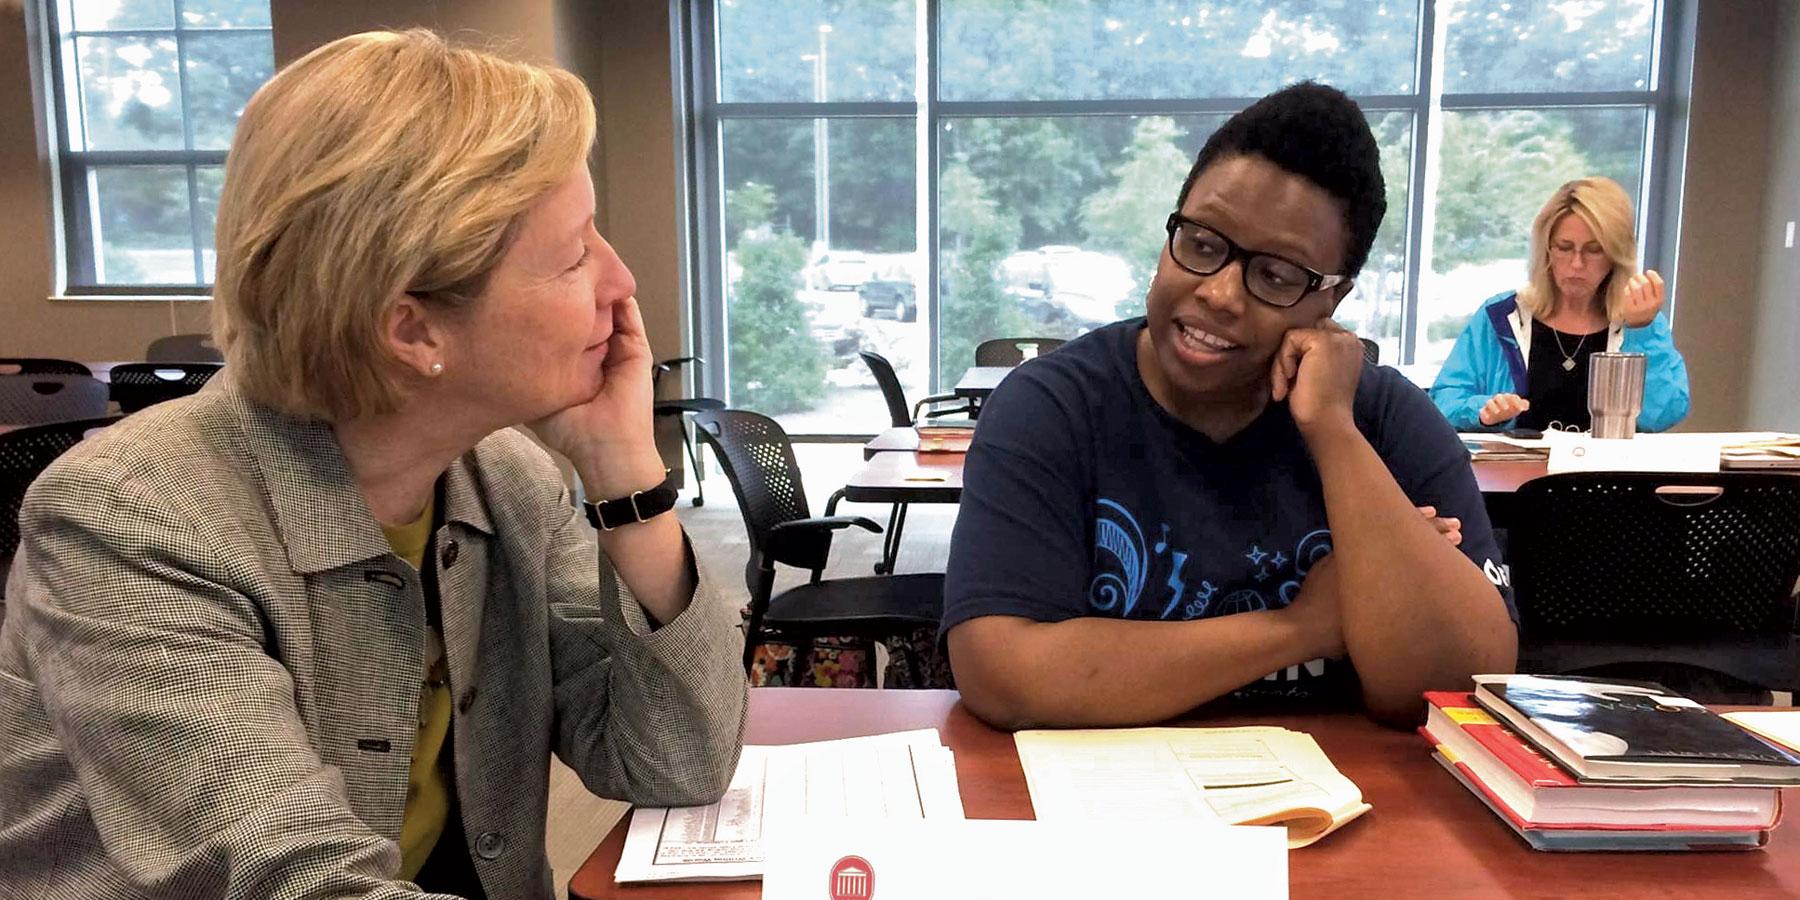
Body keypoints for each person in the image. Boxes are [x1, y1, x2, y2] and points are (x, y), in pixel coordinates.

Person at [0, 31, 746, 898]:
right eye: (577, 252)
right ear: (413, 330)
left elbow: (678, 764)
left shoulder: (505, 479)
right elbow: (296, 882)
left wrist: (626, 476)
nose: (621, 285)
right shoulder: (128, 521)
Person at [941, 82, 1517, 731]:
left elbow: (1464, 688)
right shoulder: (1053, 407)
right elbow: (1002, 674)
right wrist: (1306, 626)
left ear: (1331, 299)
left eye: (1275, 276)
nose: (1218, 293)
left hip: (1352, 806)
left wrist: (1333, 431)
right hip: (1102, 802)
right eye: (1204, 243)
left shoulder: (1386, 421)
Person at [1430, 176, 1689, 432]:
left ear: (1615, 255)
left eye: (1593, 250)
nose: (1577, 263)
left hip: (1604, 472)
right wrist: (1483, 411)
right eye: (1564, 248)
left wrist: (1642, 331)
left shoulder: (1638, 320)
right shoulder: (1502, 316)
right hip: (1516, 472)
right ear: (1546, 250)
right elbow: (1443, 402)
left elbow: (1663, 414)